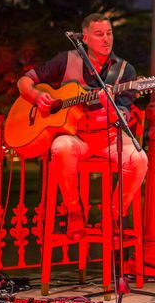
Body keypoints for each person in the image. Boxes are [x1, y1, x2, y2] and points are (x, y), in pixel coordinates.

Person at [16, 13, 148, 241]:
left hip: (109, 137)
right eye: (99, 34)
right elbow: (24, 81)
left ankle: (113, 216)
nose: (106, 39)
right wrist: (37, 96)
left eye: (109, 33)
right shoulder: (65, 60)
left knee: (139, 159)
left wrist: (109, 106)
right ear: (85, 38)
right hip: (76, 137)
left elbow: (123, 115)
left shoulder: (126, 71)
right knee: (61, 147)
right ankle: (75, 213)